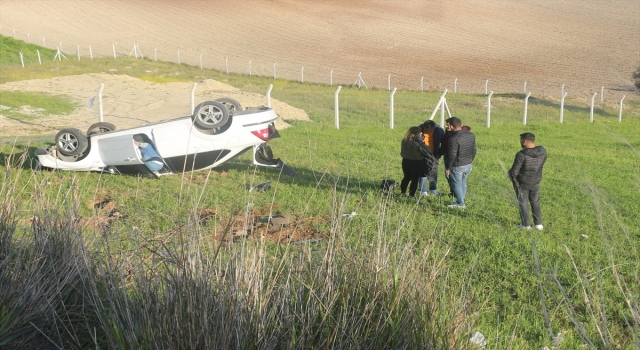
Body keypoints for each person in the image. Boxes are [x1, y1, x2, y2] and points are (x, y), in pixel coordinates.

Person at [508, 132, 547, 230]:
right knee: (535, 201)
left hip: (523, 183)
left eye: (521, 140)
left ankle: (526, 225)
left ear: (525, 141)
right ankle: (538, 225)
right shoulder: (543, 152)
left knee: (523, 203)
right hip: (536, 182)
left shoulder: (521, 154)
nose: (520, 142)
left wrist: (511, 176)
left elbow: (514, 171)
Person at [444, 117, 476, 208]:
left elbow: (452, 156)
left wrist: (448, 167)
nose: (446, 126)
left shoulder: (453, 139)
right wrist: (470, 161)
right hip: (468, 164)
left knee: (456, 184)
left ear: (452, 126)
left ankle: (460, 203)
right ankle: (461, 200)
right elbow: (474, 150)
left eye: (447, 124)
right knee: (463, 182)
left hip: (457, 166)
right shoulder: (470, 135)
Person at [400, 126, 435, 197]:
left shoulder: (404, 140)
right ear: (418, 133)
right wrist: (424, 143)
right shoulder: (419, 143)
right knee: (414, 179)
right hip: (416, 162)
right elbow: (427, 151)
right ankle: (411, 194)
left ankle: (403, 192)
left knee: (406, 177)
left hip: (405, 161)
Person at [417, 120, 445, 196]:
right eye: (427, 130)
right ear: (424, 127)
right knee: (423, 172)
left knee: (433, 172)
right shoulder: (419, 130)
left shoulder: (439, 130)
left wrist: (440, 153)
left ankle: (433, 189)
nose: (429, 131)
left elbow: (444, 143)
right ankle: (423, 190)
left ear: (433, 127)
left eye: (431, 130)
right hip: (422, 155)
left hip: (434, 154)